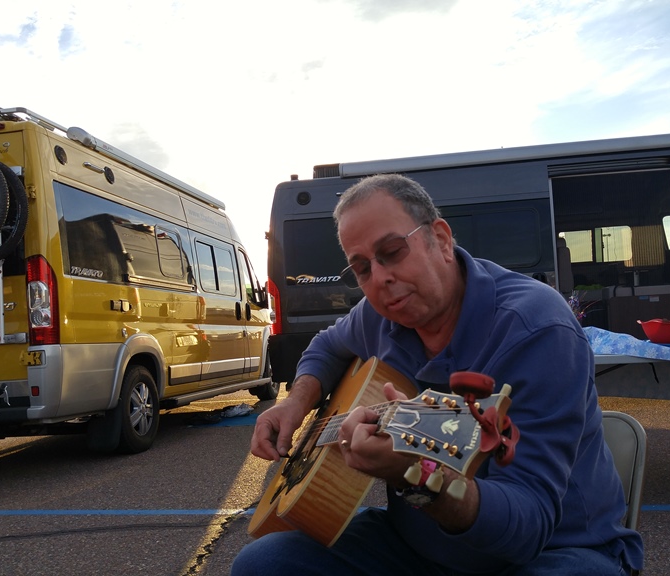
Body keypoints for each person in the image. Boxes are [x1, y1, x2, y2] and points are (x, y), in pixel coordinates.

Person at [232, 174, 643, 575]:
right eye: (361, 269)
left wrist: (416, 476)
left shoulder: (536, 330)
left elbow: (527, 529)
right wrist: (297, 403)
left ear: (441, 240)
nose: (379, 279)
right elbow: (326, 345)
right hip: (418, 546)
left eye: (391, 252)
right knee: (262, 563)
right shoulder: (379, 315)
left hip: (557, 548)